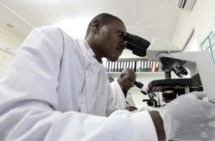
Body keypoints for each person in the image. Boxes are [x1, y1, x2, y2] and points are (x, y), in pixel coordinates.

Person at [0, 13, 165, 141]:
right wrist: (149, 125)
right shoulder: (54, 39)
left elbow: (110, 115)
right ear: (96, 26)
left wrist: (150, 115)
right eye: (121, 35)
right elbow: (17, 124)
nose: (124, 44)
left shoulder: (101, 73)